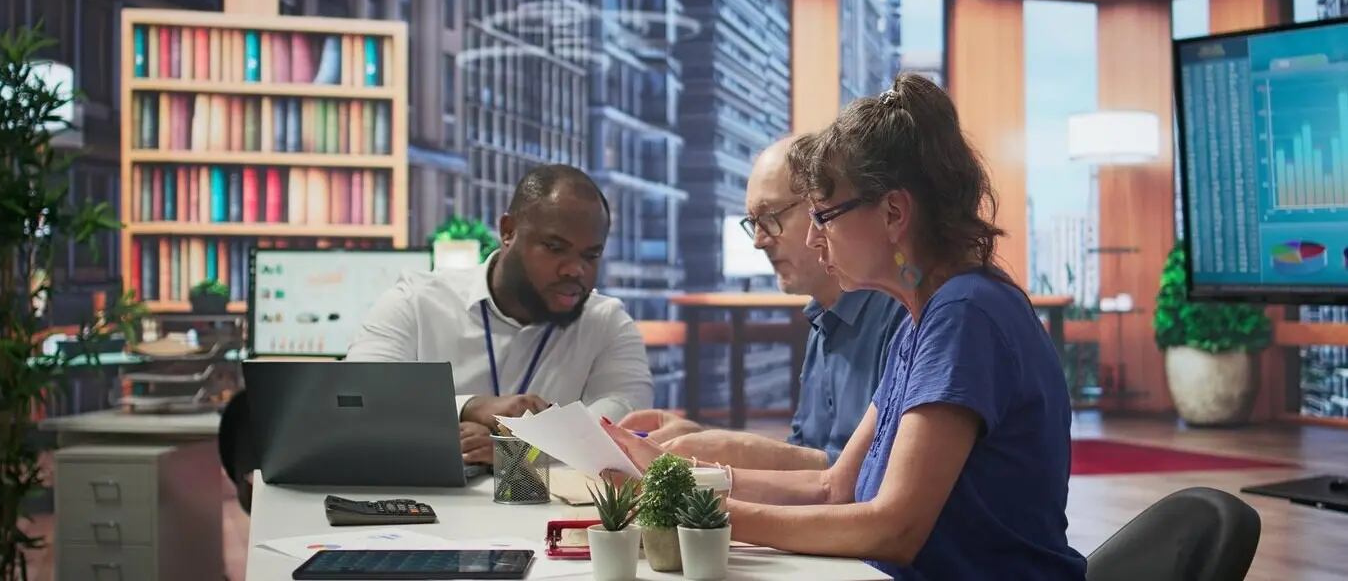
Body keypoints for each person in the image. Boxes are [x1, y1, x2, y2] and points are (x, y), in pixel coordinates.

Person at [602, 73, 1086, 581]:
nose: (813, 238)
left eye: (825, 216)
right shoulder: (923, 320)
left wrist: (705, 514)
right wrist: (677, 475)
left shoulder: (965, 314)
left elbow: (892, 528)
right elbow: (834, 486)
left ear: (894, 212)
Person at [618, 136, 908, 469]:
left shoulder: (903, 316)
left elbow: (877, 479)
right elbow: (803, 455)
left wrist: (732, 448)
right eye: (753, 223)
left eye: (770, 217)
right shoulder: (822, 319)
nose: (759, 241)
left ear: (824, 208)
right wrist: (703, 440)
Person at [346, 164, 654, 465]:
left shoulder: (608, 324)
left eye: (591, 256)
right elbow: (355, 401)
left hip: (547, 516)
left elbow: (624, 426)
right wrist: (468, 407)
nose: (575, 269)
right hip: (428, 513)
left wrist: (518, 453)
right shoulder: (416, 302)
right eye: (555, 247)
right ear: (508, 231)